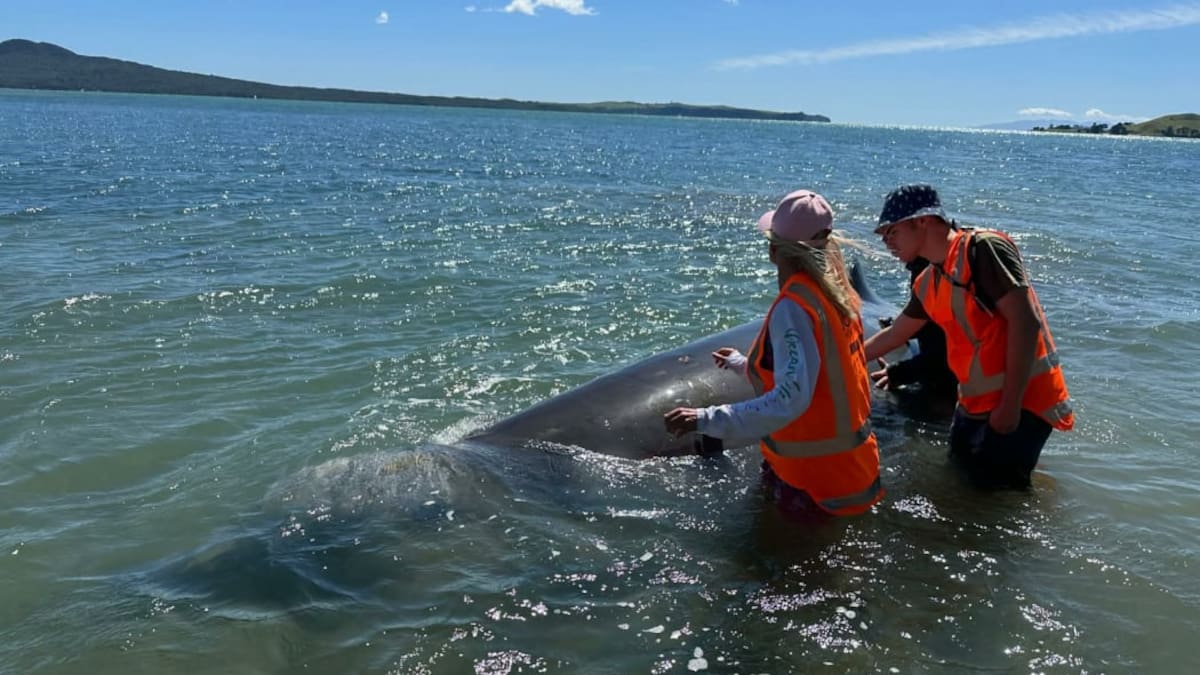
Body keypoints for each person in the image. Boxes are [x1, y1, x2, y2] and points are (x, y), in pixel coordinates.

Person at [663, 189, 883, 517]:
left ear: (773, 249)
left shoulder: (795, 307)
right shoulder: (837, 295)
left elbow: (790, 398)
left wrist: (705, 419)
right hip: (851, 471)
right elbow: (822, 369)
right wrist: (743, 364)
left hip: (812, 482)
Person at [863, 184, 1074, 489]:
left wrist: (1010, 405)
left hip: (1021, 404)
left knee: (997, 497)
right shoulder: (929, 281)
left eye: (891, 232)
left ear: (923, 220)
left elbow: (1026, 324)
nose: (887, 243)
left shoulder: (982, 250)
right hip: (974, 404)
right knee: (963, 485)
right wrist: (841, 360)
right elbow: (895, 334)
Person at [872, 257, 958, 400]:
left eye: (893, 233)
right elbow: (932, 321)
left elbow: (948, 354)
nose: (887, 241)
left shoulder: (945, 271)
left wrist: (900, 372)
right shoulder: (928, 263)